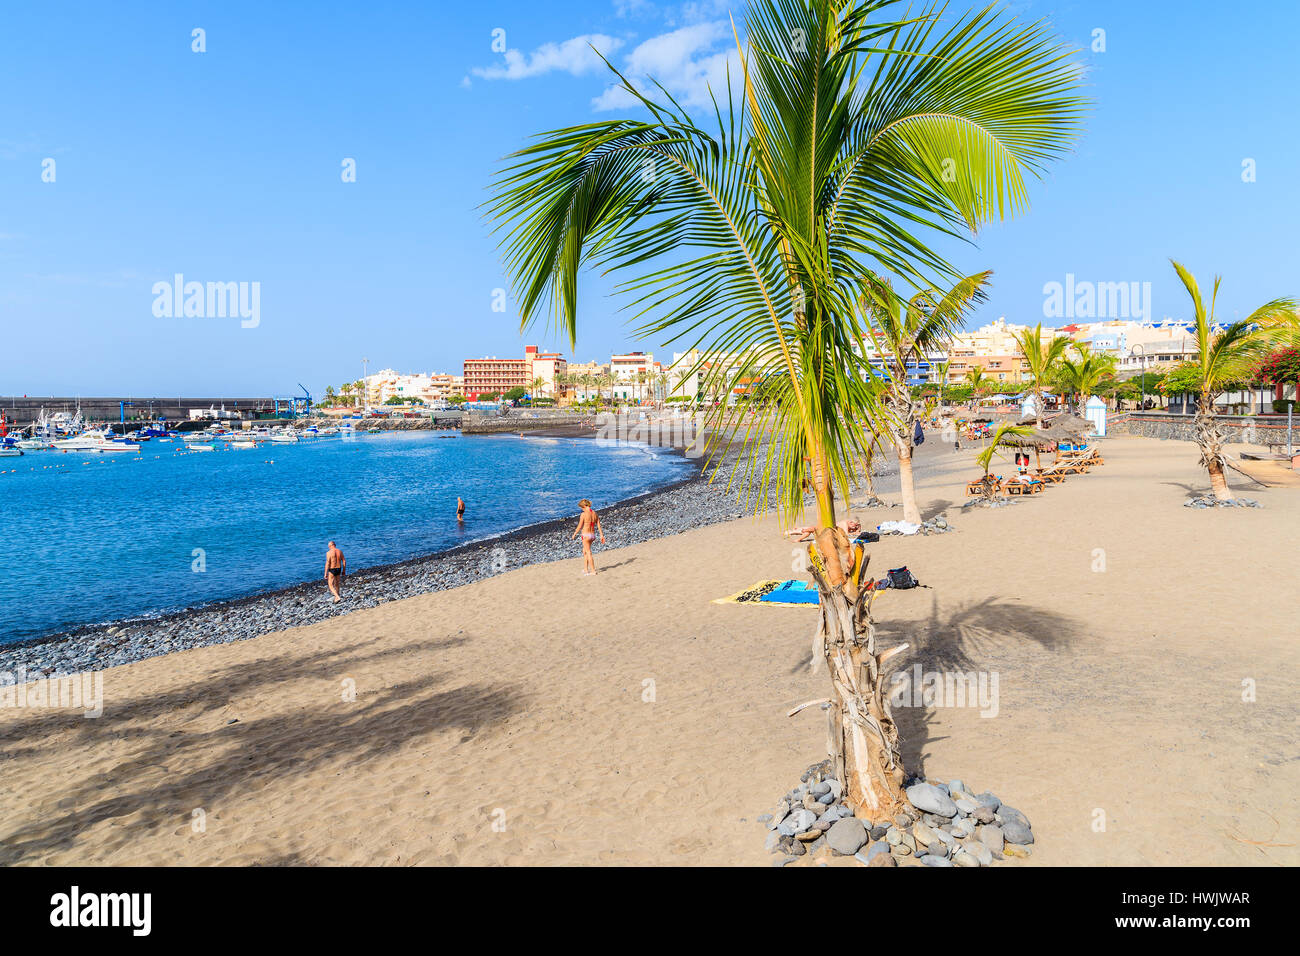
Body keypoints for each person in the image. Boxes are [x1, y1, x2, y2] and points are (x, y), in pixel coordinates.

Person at [571, 499, 605, 575]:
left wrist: (574, 534)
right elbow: (599, 525)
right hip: (592, 535)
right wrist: (601, 535)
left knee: (588, 552)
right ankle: (586, 569)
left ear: (584, 506)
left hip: (585, 535)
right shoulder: (594, 513)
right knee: (585, 551)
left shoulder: (583, 514)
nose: (581, 509)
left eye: (582, 507)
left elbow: (580, 526)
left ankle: (593, 571)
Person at [786, 515, 862, 541]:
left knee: (812, 530)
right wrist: (855, 532)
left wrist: (858, 527)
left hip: (829, 528)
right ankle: (801, 530)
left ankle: (797, 530)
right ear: (850, 522)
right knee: (814, 529)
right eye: (854, 525)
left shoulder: (852, 524)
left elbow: (858, 527)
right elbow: (846, 534)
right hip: (828, 527)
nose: (854, 527)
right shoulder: (845, 523)